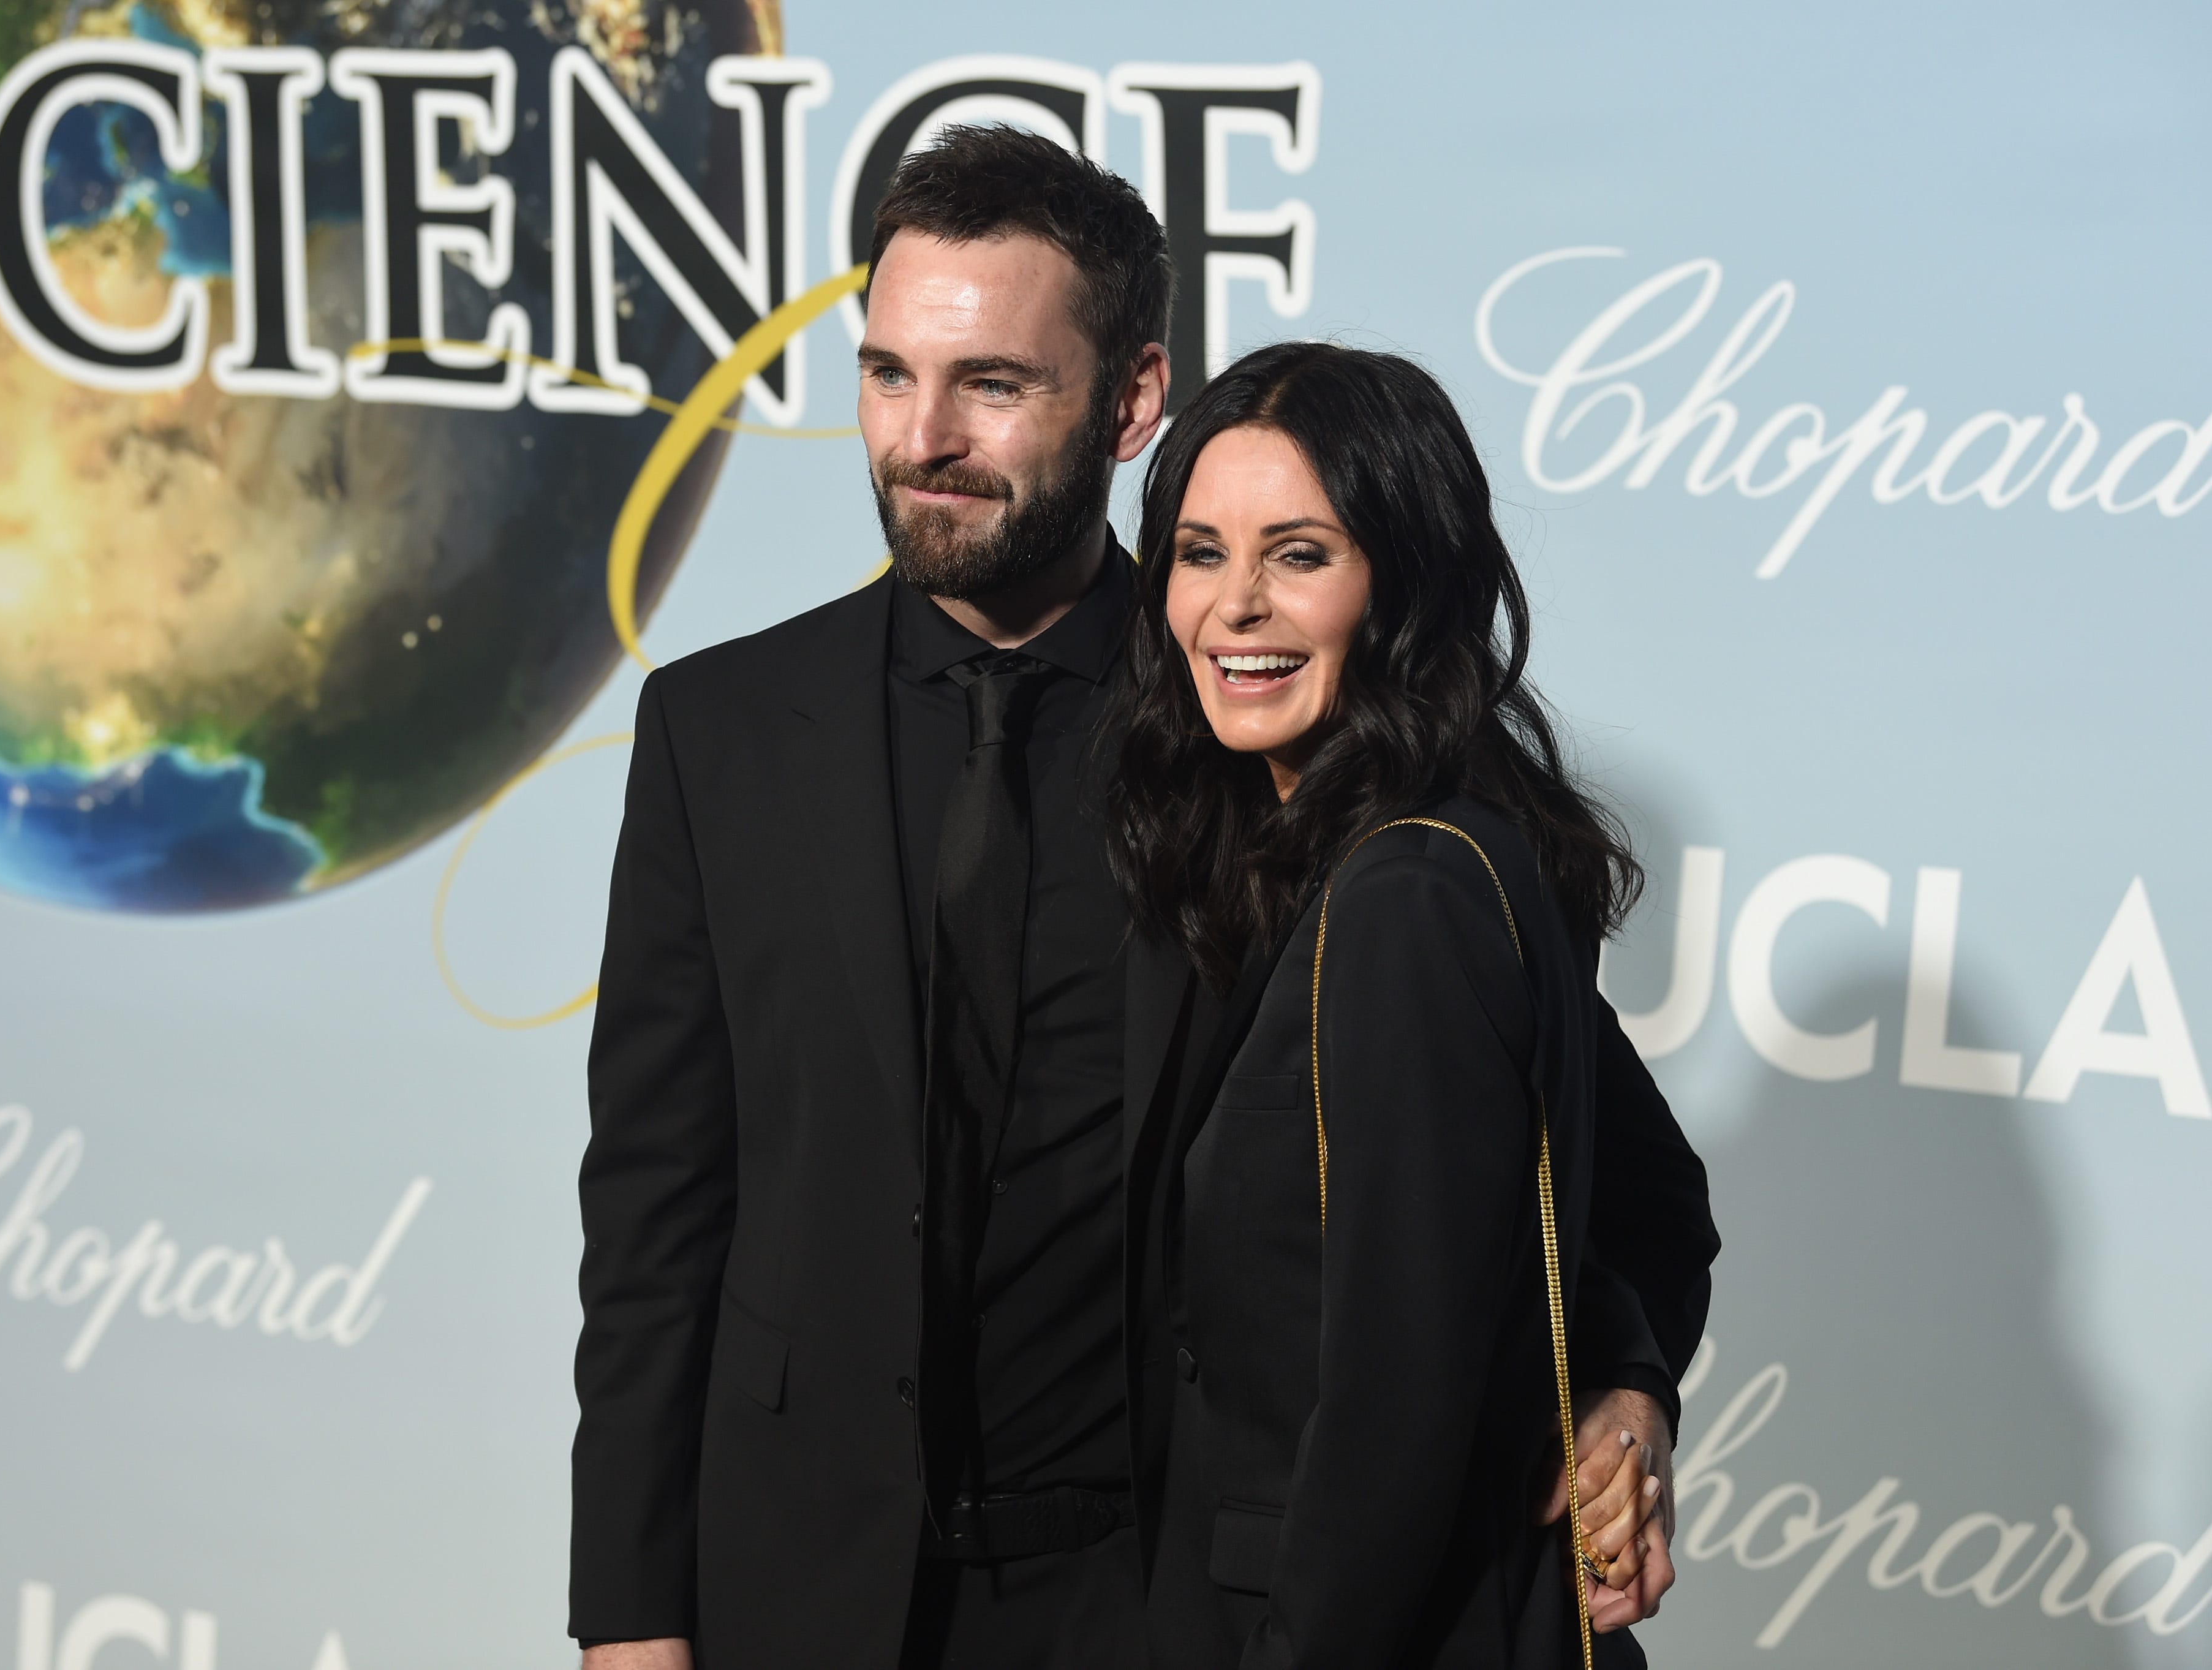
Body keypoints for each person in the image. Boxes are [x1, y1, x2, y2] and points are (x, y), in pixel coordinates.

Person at [570, 127, 1712, 1670]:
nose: (924, 438)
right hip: (799, 1586)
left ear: (1128, 400)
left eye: (991, 385)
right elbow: (654, 1223)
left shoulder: (1265, 719)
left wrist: (1619, 1393)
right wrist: (631, 1618)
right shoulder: (720, 732)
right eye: (889, 374)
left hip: (1151, 1605)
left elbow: (1605, 1175)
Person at [1106, 339, 1713, 1668]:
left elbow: (1388, 1426)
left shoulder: (1411, 899)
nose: (1235, 606)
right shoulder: (1368, 859)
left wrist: (1624, 1397)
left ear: (1404, 582)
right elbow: (1658, 1202)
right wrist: (1629, 1392)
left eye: (1300, 555)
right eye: (1199, 553)